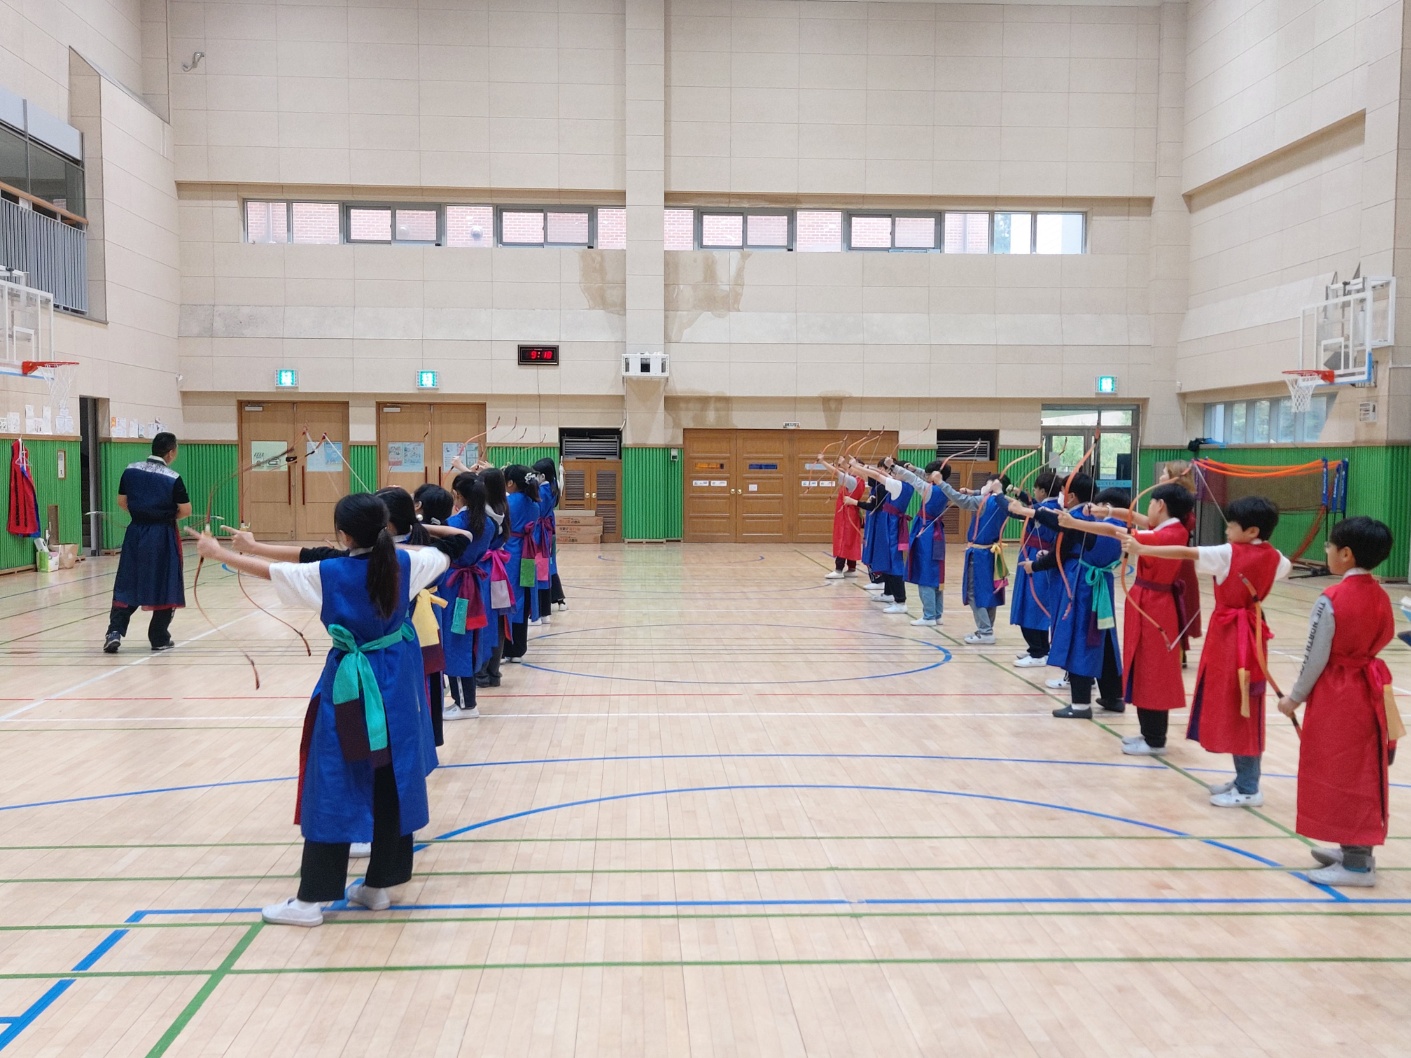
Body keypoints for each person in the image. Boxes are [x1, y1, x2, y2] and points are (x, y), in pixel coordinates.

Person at [191, 493, 468, 926]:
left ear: (343, 535)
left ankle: (310, 901)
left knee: (335, 778)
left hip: (351, 686)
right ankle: (378, 886)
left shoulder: (329, 573)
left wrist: (218, 553)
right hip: (397, 682)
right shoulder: (409, 563)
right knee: (391, 776)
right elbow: (453, 546)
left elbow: (272, 572)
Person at [1121, 495, 1290, 806]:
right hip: (1251, 634)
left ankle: (1249, 787)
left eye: (1232, 525)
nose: (1226, 530)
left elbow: (1186, 552)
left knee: (1243, 706)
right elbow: (1283, 569)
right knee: (1243, 703)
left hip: (1234, 637)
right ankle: (1244, 779)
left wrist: (1143, 549)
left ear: (1252, 531)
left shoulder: (1228, 553)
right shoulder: (1277, 557)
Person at [1277, 517, 1402, 887]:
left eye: (1329, 546)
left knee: (1346, 773)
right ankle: (1353, 850)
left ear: (1346, 554)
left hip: (1339, 696)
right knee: (1361, 769)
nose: (1326, 551)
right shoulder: (1381, 594)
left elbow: (1315, 655)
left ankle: (1358, 864)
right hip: (1369, 692)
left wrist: (1294, 698)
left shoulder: (1331, 599)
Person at [1076, 484, 1196, 752]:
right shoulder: (1167, 527)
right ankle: (1148, 733)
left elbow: (1115, 531)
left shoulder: (1168, 534)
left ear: (1161, 505)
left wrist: (1075, 523)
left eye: (1151, 503)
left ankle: (1155, 739)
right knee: (1143, 667)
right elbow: (1134, 518)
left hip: (1156, 608)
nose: (1147, 509)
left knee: (1153, 670)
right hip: (1148, 603)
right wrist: (1107, 511)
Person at [1011, 475, 1124, 718]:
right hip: (1100, 587)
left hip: (1082, 586)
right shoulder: (1116, 525)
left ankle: (1080, 705)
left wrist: (1035, 563)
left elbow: (1065, 528)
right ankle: (1113, 696)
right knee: (1103, 639)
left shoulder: (1091, 522)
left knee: (1080, 639)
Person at [104, 432, 192, 653]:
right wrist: (163, 516)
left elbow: (122, 501)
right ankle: (159, 638)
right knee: (165, 581)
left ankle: (114, 632)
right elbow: (185, 510)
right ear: (171, 453)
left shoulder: (130, 470)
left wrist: (142, 514)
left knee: (128, 580)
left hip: (135, 532)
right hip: (162, 535)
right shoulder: (173, 478)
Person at [440, 473, 502, 721]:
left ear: (458, 495)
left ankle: (466, 704)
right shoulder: (488, 524)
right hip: (472, 585)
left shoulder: (454, 522)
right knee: (465, 639)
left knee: (457, 641)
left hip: (455, 588)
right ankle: (464, 699)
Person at [939, 472, 1010, 644]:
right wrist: (974, 491)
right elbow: (980, 494)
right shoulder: (1006, 502)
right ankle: (987, 629)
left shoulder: (985, 501)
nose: (983, 487)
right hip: (993, 553)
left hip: (980, 555)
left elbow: (960, 500)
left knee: (973, 592)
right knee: (990, 591)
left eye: (988, 484)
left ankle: (985, 631)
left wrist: (941, 483)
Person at [1008, 469, 1060, 667]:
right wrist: (1018, 494)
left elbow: (1022, 510)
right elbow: (1031, 505)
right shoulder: (1051, 507)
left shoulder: (1046, 509)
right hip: (1034, 555)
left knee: (1033, 604)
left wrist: (997, 496)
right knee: (1034, 603)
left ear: (1043, 491)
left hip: (1037, 558)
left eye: (1036, 489)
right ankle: (1038, 649)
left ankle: (1038, 652)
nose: (1035, 492)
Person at [890, 458, 950, 627]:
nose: (927, 476)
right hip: (937, 534)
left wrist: (893, 466)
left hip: (926, 534)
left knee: (925, 574)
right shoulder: (947, 488)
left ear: (935, 475)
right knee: (936, 573)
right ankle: (937, 614)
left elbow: (912, 479)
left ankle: (929, 616)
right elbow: (921, 476)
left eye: (929, 474)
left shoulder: (930, 489)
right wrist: (915, 468)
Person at [849, 458, 913, 614]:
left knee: (894, 563)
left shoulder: (898, 485)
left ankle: (900, 601)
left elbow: (878, 476)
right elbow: (881, 473)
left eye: (895, 471)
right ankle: (890, 594)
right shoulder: (903, 484)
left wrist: (857, 466)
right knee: (888, 561)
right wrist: (864, 467)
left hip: (892, 527)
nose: (891, 473)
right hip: (890, 525)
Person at [532, 457, 568, 613]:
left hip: (541, 533)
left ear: (543, 476)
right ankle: (559, 599)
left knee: (543, 565)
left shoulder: (542, 491)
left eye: (536, 474)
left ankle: (543, 606)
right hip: (549, 531)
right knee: (551, 564)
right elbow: (560, 484)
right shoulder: (553, 486)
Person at [824, 453, 866, 580]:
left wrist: (822, 461)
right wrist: (841, 465)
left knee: (842, 539)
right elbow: (842, 472)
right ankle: (852, 568)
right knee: (850, 541)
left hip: (846, 515)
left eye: (853, 466)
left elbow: (837, 473)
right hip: (851, 514)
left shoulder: (853, 481)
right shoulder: (857, 479)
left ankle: (838, 569)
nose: (850, 467)